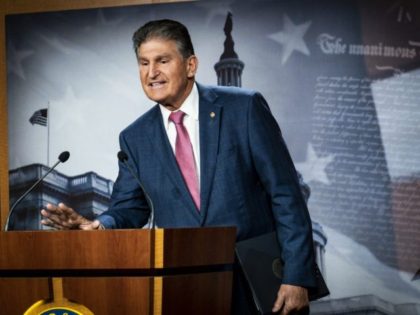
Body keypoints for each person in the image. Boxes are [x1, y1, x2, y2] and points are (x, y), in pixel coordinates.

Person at [41, 19, 316, 314]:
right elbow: (130, 208)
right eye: (144, 63)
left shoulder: (244, 108)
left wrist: (297, 276)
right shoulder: (135, 137)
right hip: (185, 285)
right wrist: (99, 226)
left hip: (257, 281)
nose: (151, 73)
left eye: (162, 60)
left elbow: (286, 194)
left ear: (190, 65)